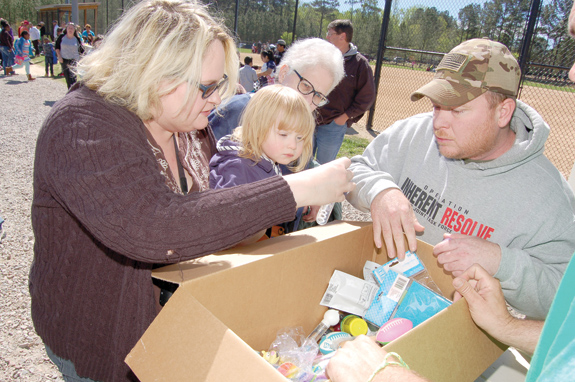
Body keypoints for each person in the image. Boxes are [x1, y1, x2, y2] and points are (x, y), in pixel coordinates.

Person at [29, 1, 355, 381]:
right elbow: (156, 227)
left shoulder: (185, 122)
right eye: (206, 87)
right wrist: (291, 189)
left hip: (163, 330)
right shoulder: (81, 126)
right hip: (101, 339)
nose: (217, 99)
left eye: (220, 85)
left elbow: (211, 201)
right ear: (153, 73)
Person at [345, 37, 575, 320]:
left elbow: (564, 300)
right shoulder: (415, 132)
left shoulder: (549, 198)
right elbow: (356, 169)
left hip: (455, 331)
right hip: (379, 301)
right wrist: (380, 191)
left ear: (503, 112)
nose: (439, 122)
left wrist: (501, 262)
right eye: (437, 105)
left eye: (457, 110)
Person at [210, 85, 316, 242]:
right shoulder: (237, 167)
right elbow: (227, 227)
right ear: (257, 127)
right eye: (283, 134)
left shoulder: (264, 160)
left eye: (300, 138)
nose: (293, 145)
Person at [209, 37, 344, 141]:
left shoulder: (301, 133)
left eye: (318, 96)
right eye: (306, 86)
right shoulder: (230, 114)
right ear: (283, 73)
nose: (307, 102)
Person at [314, 19, 376, 164]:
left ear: (342, 36)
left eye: (330, 34)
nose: (327, 37)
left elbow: (366, 97)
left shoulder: (359, 64)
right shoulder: (322, 58)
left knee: (324, 168)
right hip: (310, 119)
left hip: (333, 125)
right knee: (300, 165)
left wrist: (344, 118)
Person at [55, 22, 84, 88]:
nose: (70, 30)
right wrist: (59, 56)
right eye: (69, 28)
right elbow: (57, 47)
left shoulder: (77, 38)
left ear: (74, 30)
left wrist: (80, 59)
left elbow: (81, 50)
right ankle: (70, 91)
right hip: (64, 59)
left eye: (72, 28)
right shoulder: (62, 37)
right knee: (67, 77)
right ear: (66, 29)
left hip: (74, 60)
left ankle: (73, 92)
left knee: (73, 77)